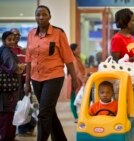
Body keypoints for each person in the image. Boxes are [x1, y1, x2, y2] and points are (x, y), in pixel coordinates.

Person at [25, 5, 78, 141]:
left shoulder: (58, 33)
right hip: (36, 78)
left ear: (50, 16)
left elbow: (68, 57)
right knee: (49, 112)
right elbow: (28, 59)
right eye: (38, 15)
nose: (41, 17)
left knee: (43, 114)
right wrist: (27, 82)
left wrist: (74, 78)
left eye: (44, 14)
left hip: (54, 77)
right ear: (35, 17)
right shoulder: (31, 34)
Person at [0, 31, 25, 141]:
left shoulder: (5, 50)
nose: (12, 41)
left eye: (13, 39)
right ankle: (7, 138)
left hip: (6, 88)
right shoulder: (6, 51)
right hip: (8, 89)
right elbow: (15, 68)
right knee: (8, 114)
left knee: (7, 114)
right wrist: (22, 66)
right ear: (3, 40)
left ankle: (8, 137)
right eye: (9, 39)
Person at [67, 43, 85, 123]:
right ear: (73, 51)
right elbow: (77, 72)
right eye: (78, 48)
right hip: (75, 80)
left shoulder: (77, 58)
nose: (80, 50)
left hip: (78, 80)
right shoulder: (73, 59)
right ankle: (76, 117)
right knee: (74, 99)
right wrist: (83, 81)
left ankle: (78, 116)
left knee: (77, 98)